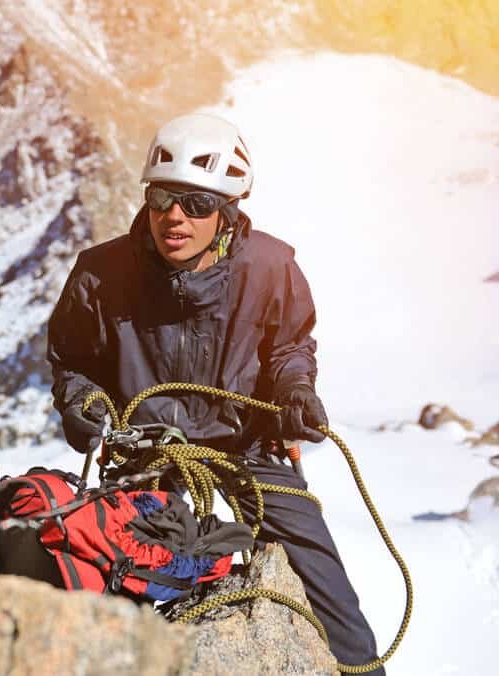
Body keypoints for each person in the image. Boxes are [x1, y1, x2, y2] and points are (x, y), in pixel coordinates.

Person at [46, 113, 383, 672]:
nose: (173, 217)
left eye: (196, 204)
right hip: (145, 446)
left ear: (227, 214)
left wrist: (295, 389)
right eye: (161, 199)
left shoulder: (271, 266)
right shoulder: (101, 274)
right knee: (124, 569)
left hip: (247, 442)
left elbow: (289, 347)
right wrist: (85, 404)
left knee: (321, 576)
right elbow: (72, 362)